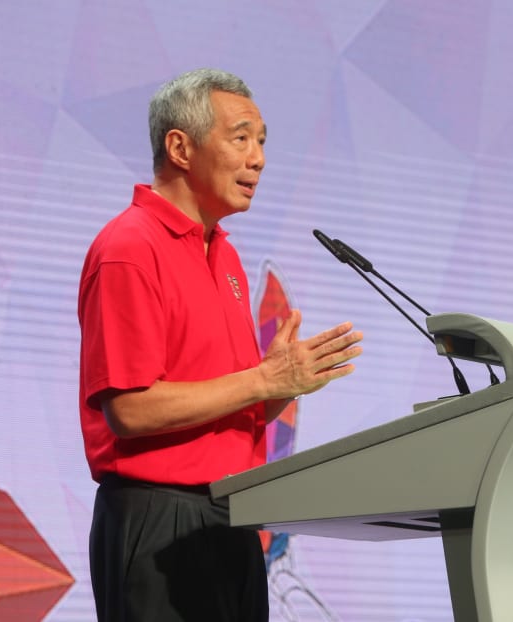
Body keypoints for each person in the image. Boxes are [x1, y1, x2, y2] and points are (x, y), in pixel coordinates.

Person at [77, 68, 363, 621]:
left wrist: (286, 384)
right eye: (240, 138)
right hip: (159, 522)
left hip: (232, 517)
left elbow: (234, 404)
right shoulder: (129, 248)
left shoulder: (226, 257)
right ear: (180, 147)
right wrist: (262, 379)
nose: (257, 158)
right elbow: (130, 410)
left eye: (262, 142)